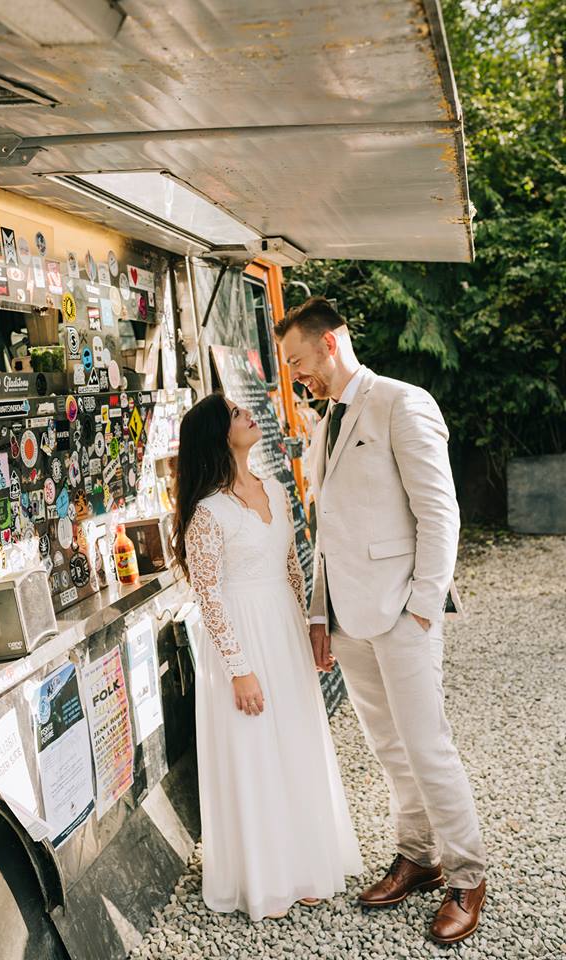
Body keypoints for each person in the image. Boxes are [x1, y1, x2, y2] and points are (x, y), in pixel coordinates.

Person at [275, 297, 486, 945]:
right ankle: (418, 855)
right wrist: (317, 616)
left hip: (402, 611)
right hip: (346, 616)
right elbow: (326, 530)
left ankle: (467, 875)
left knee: (427, 746)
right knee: (390, 749)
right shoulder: (322, 424)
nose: (295, 376)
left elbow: (438, 512)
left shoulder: (403, 402)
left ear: (330, 343)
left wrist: (424, 606)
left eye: (299, 361)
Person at [171, 392, 363, 922]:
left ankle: (307, 863)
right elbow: (208, 596)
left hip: (281, 628)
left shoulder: (275, 490)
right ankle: (267, 876)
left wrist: (308, 629)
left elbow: (292, 568)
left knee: (296, 741)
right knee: (255, 749)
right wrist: (239, 669)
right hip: (241, 638)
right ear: (217, 435)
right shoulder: (207, 513)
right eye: (235, 413)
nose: (247, 414)